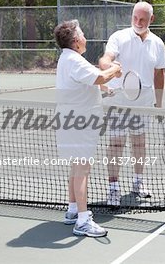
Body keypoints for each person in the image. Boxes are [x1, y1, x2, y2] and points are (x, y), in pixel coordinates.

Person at [54, 19, 122, 237]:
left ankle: (73, 210)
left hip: (70, 122)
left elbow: (90, 81)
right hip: (79, 124)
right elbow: (99, 76)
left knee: (76, 168)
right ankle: (83, 221)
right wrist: (115, 68)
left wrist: (105, 89)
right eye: (82, 34)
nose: (85, 37)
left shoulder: (68, 59)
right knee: (82, 170)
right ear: (75, 41)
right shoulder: (74, 60)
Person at [99, 1, 165, 205]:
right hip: (119, 99)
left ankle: (137, 183)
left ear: (151, 20)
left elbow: (159, 74)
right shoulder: (118, 37)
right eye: (135, 18)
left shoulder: (158, 43)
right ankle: (113, 188)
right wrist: (110, 66)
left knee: (139, 143)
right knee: (116, 144)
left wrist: (159, 104)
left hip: (144, 99)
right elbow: (104, 60)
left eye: (143, 19)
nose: (138, 22)